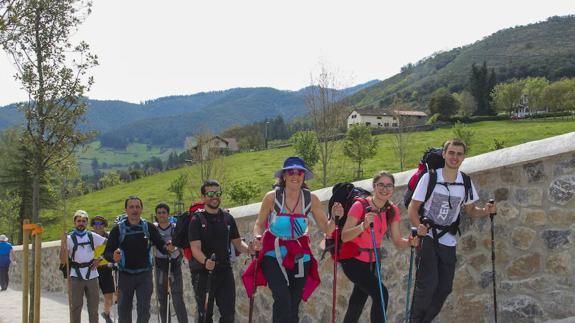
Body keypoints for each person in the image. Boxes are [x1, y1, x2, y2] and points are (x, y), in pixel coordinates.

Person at [408, 139, 497, 323]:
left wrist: (486, 211)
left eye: (459, 154)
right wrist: (420, 227)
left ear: (463, 157)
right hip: (428, 238)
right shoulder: (431, 177)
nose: (455, 157)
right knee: (428, 285)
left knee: (445, 288)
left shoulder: (465, 181)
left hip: (448, 239)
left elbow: (471, 210)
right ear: (444, 154)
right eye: (451, 153)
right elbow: (412, 208)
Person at [247, 156, 341, 323]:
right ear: (284, 175)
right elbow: (259, 224)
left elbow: (326, 229)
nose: (295, 175)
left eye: (300, 172)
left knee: (294, 302)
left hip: (299, 254)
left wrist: (335, 218)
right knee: (282, 297)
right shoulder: (272, 197)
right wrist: (257, 237)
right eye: (291, 171)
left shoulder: (311, 199)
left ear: (304, 176)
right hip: (272, 252)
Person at [339, 171, 418, 323]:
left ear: (393, 189)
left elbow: (397, 241)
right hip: (353, 261)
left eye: (389, 185)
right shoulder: (359, 206)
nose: (385, 189)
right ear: (374, 187)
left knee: (358, 301)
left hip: (374, 262)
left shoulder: (392, 210)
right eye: (381, 185)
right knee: (381, 294)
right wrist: (363, 225)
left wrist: (409, 242)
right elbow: (345, 236)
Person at [189, 179, 253, 323]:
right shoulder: (197, 220)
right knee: (205, 316)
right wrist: (205, 262)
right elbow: (195, 248)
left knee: (228, 315)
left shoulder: (227, 218)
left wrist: (250, 250)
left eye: (218, 193)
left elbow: (237, 243)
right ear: (203, 197)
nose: (215, 196)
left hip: (225, 271)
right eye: (210, 193)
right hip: (204, 274)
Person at [103, 196, 175, 323]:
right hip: (125, 276)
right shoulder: (118, 229)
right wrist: (113, 257)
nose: (134, 210)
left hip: (145, 276)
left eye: (137, 207)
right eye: (131, 207)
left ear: (141, 209)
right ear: (126, 209)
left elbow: (160, 245)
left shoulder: (148, 227)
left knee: (144, 311)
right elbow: (107, 253)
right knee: (124, 311)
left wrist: (168, 248)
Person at [59, 210, 106, 323]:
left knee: (93, 307)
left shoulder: (92, 236)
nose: (81, 223)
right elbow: (63, 260)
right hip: (76, 275)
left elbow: (107, 244)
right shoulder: (69, 238)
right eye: (79, 221)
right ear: (75, 223)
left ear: (86, 223)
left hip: (92, 274)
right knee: (75, 307)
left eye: (83, 221)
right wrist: (63, 244)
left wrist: (100, 258)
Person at [153, 202, 188, 323]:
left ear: (168, 214)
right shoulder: (154, 229)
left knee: (178, 298)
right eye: (159, 213)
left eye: (164, 212)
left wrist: (175, 247)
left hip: (175, 265)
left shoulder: (175, 228)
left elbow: (182, 243)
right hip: (160, 266)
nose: (161, 215)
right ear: (156, 215)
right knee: (162, 299)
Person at [90, 215, 115, 323]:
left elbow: (113, 251)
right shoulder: (88, 237)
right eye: (95, 223)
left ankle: (106, 314)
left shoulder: (109, 238)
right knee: (92, 299)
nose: (98, 226)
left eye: (100, 223)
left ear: (104, 225)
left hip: (106, 270)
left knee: (109, 297)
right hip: (92, 270)